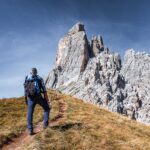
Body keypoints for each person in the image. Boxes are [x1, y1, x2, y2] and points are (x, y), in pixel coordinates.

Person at [24, 68, 50, 135]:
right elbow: (44, 90)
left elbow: (25, 89)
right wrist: (46, 100)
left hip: (30, 98)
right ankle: (45, 125)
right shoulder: (39, 78)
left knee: (30, 113)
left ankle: (30, 130)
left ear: (30, 72)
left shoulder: (27, 78)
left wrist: (26, 99)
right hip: (38, 97)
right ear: (36, 72)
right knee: (47, 108)